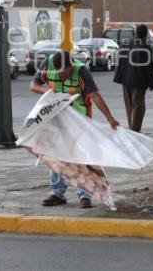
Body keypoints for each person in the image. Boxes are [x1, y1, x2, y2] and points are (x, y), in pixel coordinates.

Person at [30, 50, 120, 208]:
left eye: (65, 73)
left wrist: (110, 118)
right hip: (57, 118)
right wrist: (50, 94)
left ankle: (85, 195)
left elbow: (95, 96)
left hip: (80, 120)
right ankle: (56, 193)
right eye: (59, 73)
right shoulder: (48, 64)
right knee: (55, 154)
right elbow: (33, 85)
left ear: (71, 66)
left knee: (81, 157)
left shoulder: (81, 71)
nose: (62, 76)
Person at [113, 24, 153, 132]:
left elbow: (120, 62)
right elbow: (149, 68)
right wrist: (151, 84)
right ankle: (134, 130)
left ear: (136, 32)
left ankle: (131, 127)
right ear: (145, 34)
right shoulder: (146, 47)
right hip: (139, 81)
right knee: (138, 106)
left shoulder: (124, 44)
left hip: (125, 80)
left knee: (129, 105)